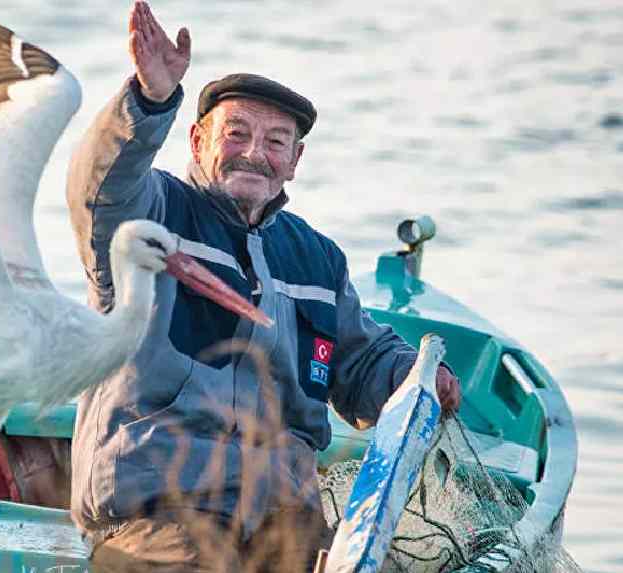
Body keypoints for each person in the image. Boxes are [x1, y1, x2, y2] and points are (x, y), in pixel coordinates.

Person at [66, 3, 461, 572]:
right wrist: (148, 101)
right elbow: (98, 187)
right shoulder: (150, 213)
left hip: (284, 517)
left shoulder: (317, 258)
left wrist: (413, 377)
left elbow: (361, 361)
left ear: (295, 161)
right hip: (159, 512)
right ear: (197, 140)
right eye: (237, 133)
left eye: (276, 141)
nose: (255, 153)